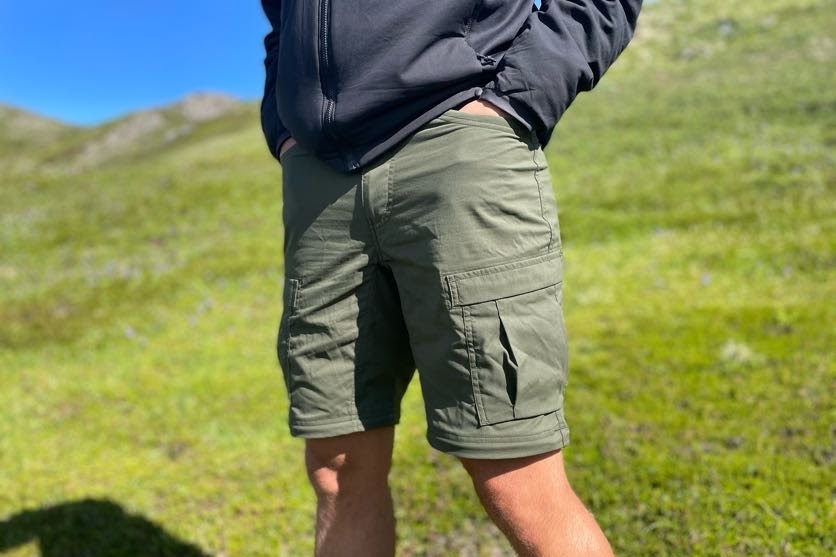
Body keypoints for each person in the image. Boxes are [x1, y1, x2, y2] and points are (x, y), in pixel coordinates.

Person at [259, 1, 642, 555]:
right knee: (336, 468)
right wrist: (285, 131)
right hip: (320, 185)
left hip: (458, 140)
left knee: (513, 471)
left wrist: (515, 99)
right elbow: (284, 23)